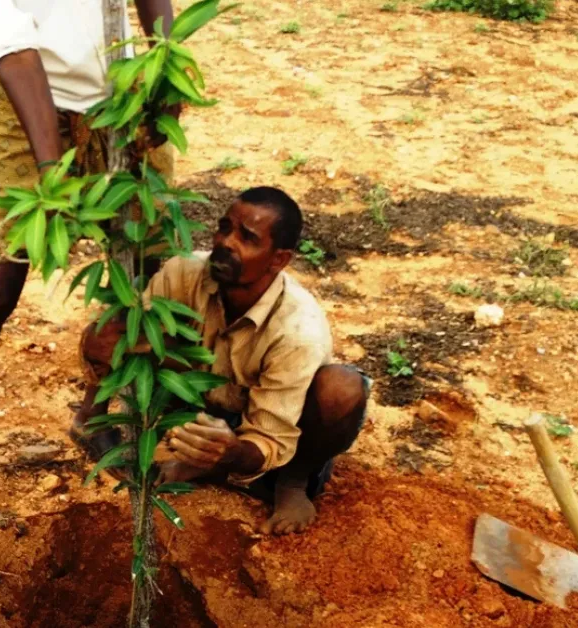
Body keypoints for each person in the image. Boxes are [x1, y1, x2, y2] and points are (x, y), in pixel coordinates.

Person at [0, 0, 178, 533]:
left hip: (121, 95)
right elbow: (13, 48)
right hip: (27, 103)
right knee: (0, 281)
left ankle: (95, 411)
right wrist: (51, 169)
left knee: (145, 269)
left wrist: (164, 70)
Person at [75, 187, 370, 534]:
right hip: (203, 409)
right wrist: (112, 340)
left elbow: (271, 439)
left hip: (279, 432)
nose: (226, 242)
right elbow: (131, 336)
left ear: (278, 260)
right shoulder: (184, 272)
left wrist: (229, 451)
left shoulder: (298, 330)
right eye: (224, 227)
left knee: (342, 389)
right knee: (112, 329)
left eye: (247, 238)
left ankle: (292, 484)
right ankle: (90, 421)